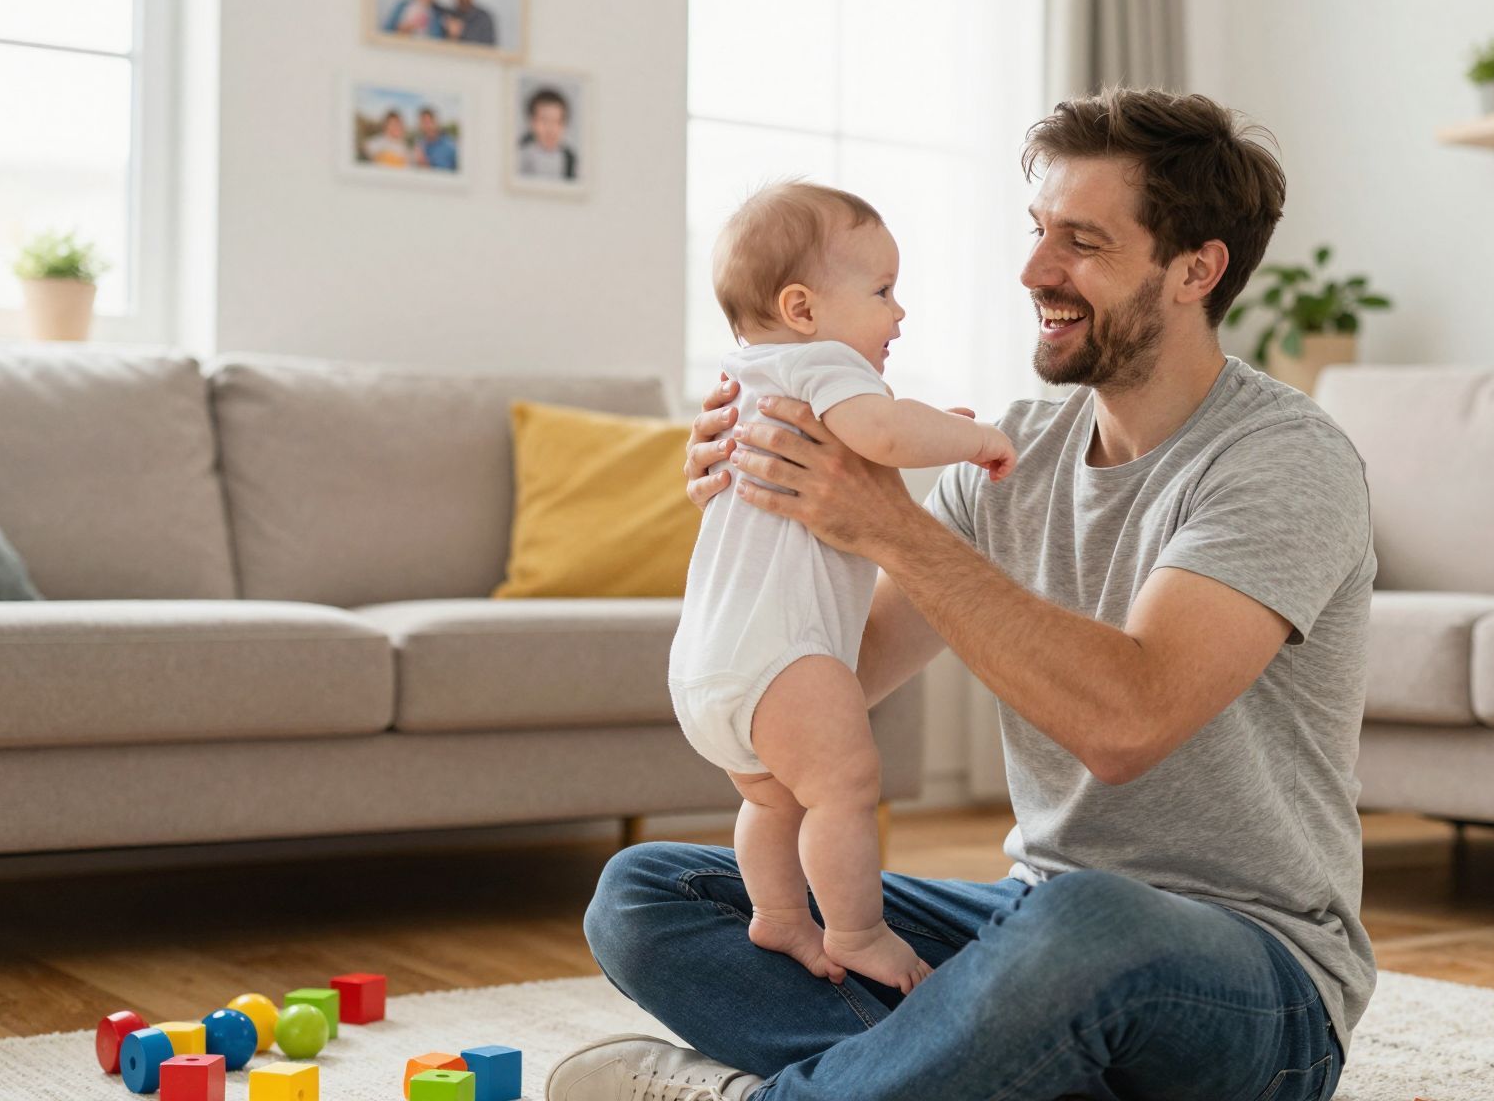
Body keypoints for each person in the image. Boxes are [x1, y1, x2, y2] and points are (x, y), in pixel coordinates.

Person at [557, 88, 1375, 1101]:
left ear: (1193, 270)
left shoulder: (1281, 458)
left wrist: (889, 523)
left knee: (1090, 928)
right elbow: (837, 684)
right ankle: (958, 1070)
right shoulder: (1014, 451)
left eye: (1080, 241)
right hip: (1026, 923)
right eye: (1036, 233)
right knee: (650, 894)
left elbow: (1128, 721)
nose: (1034, 270)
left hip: (1253, 979)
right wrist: (761, 518)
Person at [667, 180, 1016, 1001]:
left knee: (776, 800)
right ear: (802, 307)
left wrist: (921, 423)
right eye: (884, 291)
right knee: (847, 787)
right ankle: (856, 931)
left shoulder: (746, 377)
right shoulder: (821, 363)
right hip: (782, 655)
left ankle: (780, 914)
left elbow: (881, 436)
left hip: (709, 663)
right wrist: (971, 437)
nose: (900, 314)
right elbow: (884, 433)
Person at [515, 87, 577, 181]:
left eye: (557, 122)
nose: (550, 129)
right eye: (544, 121)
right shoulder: (521, 155)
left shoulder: (570, 160)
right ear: (532, 122)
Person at [412, 107, 458, 171]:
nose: (427, 126)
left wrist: (427, 165)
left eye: (429, 122)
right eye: (423, 123)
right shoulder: (420, 144)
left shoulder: (450, 146)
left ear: (436, 122)